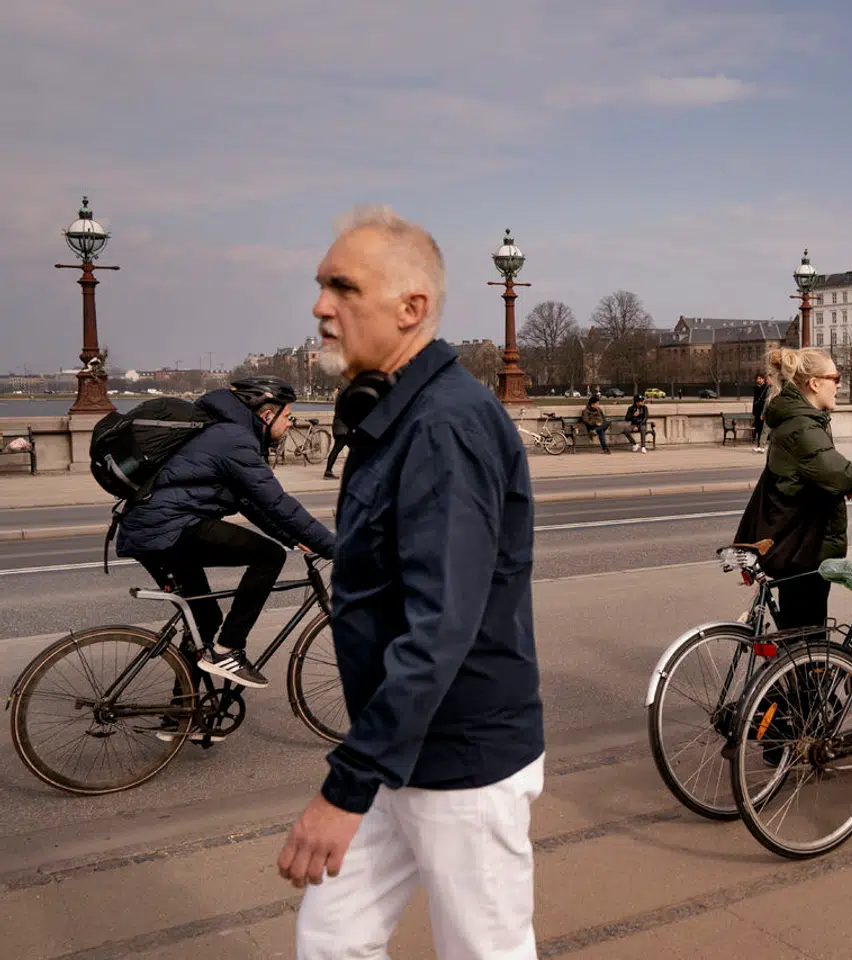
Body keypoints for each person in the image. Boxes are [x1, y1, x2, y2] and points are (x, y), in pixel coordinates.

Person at [281, 207, 545, 959]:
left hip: (459, 759)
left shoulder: (442, 426)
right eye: (320, 285)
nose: (320, 306)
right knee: (331, 938)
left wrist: (344, 787)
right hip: (398, 748)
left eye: (342, 286)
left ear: (411, 308)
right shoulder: (399, 414)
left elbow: (439, 626)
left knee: (482, 950)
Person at [119, 375, 336, 691]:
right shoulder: (234, 439)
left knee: (204, 622)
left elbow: (250, 502)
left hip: (153, 530)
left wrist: (290, 537)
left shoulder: (224, 432)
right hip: (168, 528)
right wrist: (335, 548)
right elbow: (277, 502)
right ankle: (228, 649)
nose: (291, 424)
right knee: (268, 556)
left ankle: (181, 716)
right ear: (266, 414)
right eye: (288, 416)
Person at [733, 348, 852, 630]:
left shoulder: (800, 420)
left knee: (799, 634)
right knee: (806, 639)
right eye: (835, 377)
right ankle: (800, 673)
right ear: (814, 383)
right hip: (804, 546)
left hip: (799, 543)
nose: (839, 384)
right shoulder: (803, 426)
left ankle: (795, 672)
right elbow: (841, 475)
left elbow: (816, 474)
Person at [323, 382, 348, 479]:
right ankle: (328, 471)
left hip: (339, 426)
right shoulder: (344, 398)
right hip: (343, 428)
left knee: (336, 449)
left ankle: (328, 471)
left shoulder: (339, 398)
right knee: (337, 449)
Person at [751, 372, 769, 452]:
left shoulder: (766, 388)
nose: (758, 380)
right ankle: (759, 445)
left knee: (762, 429)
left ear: (763, 379)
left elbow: (766, 401)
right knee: (758, 428)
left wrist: (763, 412)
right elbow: (754, 400)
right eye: (757, 379)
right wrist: (754, 411)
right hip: (757, 412)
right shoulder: (756, 388)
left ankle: (761, 445)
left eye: (759, 379)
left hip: (762, 412)